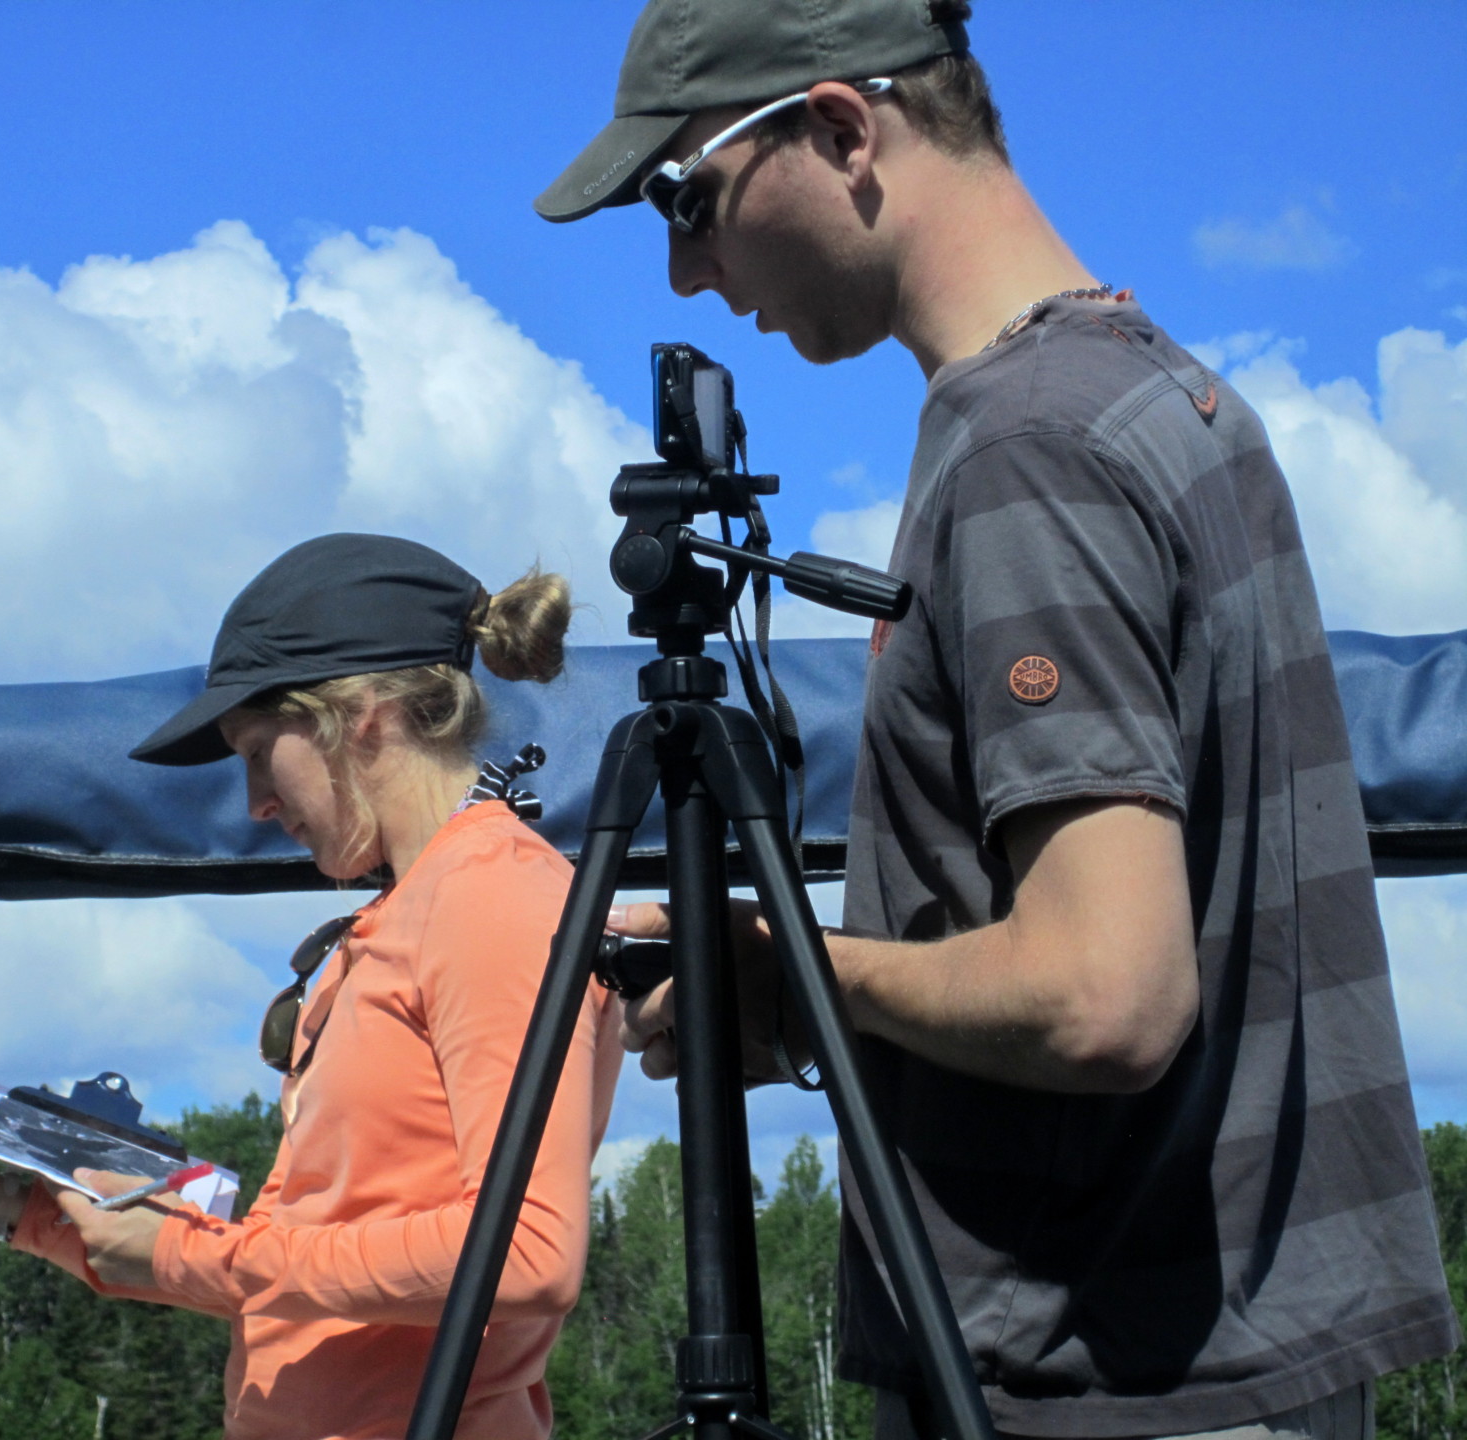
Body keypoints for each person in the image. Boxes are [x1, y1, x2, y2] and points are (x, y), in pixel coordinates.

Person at [538, 2, 1457, 1437]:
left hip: (1112, 1387)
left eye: (687, 196)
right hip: (1229, 1361)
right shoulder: (1169, 399)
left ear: (843, 130)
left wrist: (795, 972)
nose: (686, 270)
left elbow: (1105, 995)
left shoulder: (1031, 451)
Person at [0, 532, 624, 1440]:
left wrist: (215, 1257)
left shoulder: (490, 897)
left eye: (256, 752)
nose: (255, 805)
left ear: (356, 714)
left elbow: (526, 1256)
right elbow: (308, 1261)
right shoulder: (423, 905)